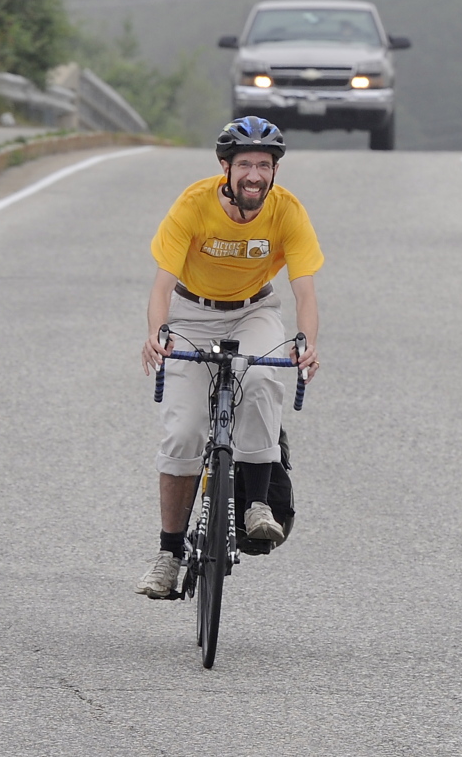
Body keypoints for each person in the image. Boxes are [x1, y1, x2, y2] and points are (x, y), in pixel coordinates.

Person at [136, 116, 324, 599]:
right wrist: (157, 332)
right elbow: (161, 284)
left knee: (262, 378)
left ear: (274, 171)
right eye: (245, 165)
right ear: (226, 167)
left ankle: (256, 506)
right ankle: (168, 553)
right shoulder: (194, 204)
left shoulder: (286, 210)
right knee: (183, 432)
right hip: (191, 312)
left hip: (253, 311)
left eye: (265, 165)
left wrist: (307, 342)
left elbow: (304, 291)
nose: (255, 175)